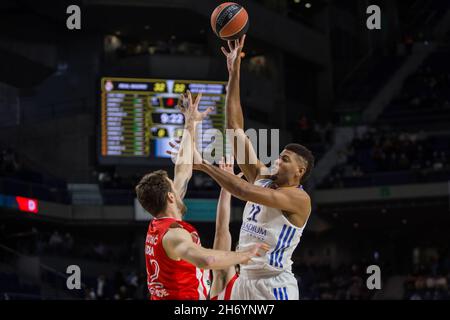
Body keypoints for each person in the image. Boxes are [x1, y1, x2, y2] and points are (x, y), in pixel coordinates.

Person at [193, 35, 314, 300]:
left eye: (285, 160)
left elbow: (244, 191)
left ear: (299, 172)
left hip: (274, 285)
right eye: (279, 156)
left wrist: (203, 165)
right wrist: (233, 70)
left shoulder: (298, 199)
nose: (277, 161)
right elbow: (234, 128)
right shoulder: (263, 175)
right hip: (243, 281)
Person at [136, 91, 266, 300]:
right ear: (170, 197)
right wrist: (245, 255)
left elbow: (183, 170)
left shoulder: (160, 220)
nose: (177, 184)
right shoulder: (174, 235)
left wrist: (191, 123)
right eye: (172, 186)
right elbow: (207, 261)